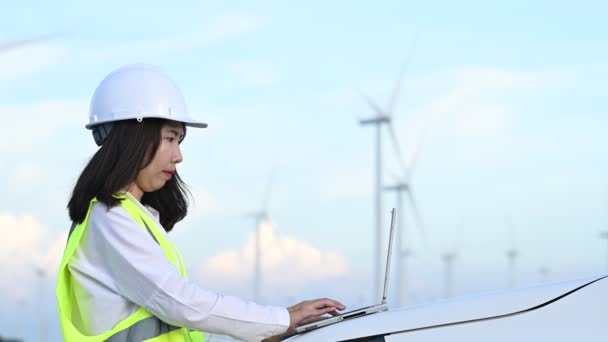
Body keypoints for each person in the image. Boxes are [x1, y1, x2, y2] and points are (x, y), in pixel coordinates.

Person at [55, 64, 345, 342]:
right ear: (134, 137)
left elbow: (181, 325)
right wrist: (281, 319)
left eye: (179, 141)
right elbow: (179, 302)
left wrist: (267, 334)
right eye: (170, 138)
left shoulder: (133, 216)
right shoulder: (110, 216)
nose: (178, 156)